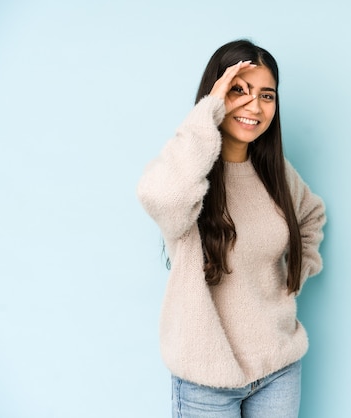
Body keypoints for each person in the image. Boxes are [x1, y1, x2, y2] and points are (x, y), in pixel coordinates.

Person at [137, 39, 326, 418]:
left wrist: (296, 272)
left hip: (278, 369)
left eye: (267, 95)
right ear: (216, 93)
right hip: (207, 377)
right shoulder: (189, 174)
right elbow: (160, 198)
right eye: (239, 90)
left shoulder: (274, 174)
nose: (254, 106)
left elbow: (311, 216)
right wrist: (208, 110)